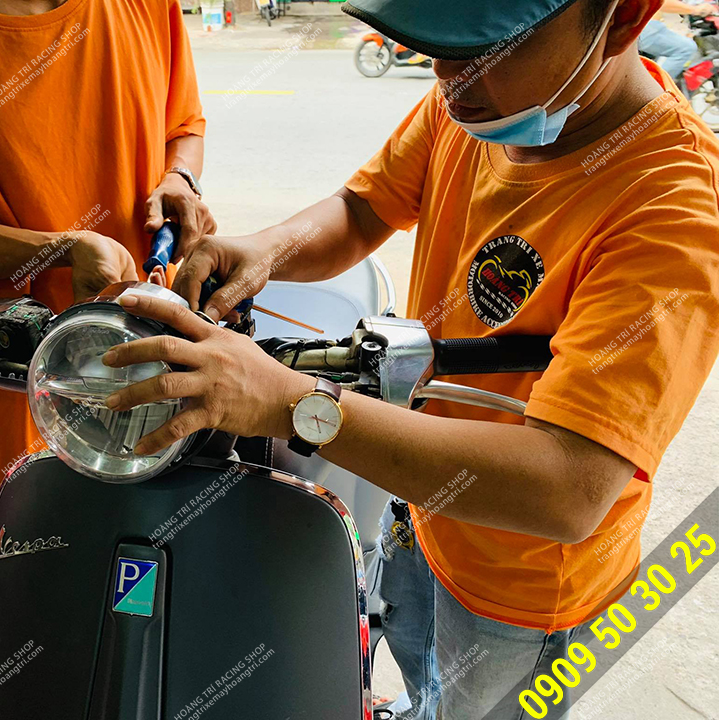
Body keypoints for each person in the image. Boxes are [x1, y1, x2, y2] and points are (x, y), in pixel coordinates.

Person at [94, 0, 719, 717]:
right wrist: (266, 250)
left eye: (489, 44)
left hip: (521, 592)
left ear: (623, 19)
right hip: (419, 500)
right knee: (416, 671)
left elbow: (570, 489)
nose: (449, 75)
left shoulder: (675, 208)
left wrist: (293, 402)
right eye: (437, 44)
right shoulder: (480, 100)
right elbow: (365, 209)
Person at [0, 0, 215, 545]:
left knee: (155, 576)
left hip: (158, 358)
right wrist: (63, 250)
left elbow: (184, 125)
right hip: (21, 373)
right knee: (31, 588)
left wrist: (182, 178)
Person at [638, 0, 713, 79]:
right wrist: (695, 9)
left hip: (646, 25)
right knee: (686, 48)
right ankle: (656, 86)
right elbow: (662, 3)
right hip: (644, 26)